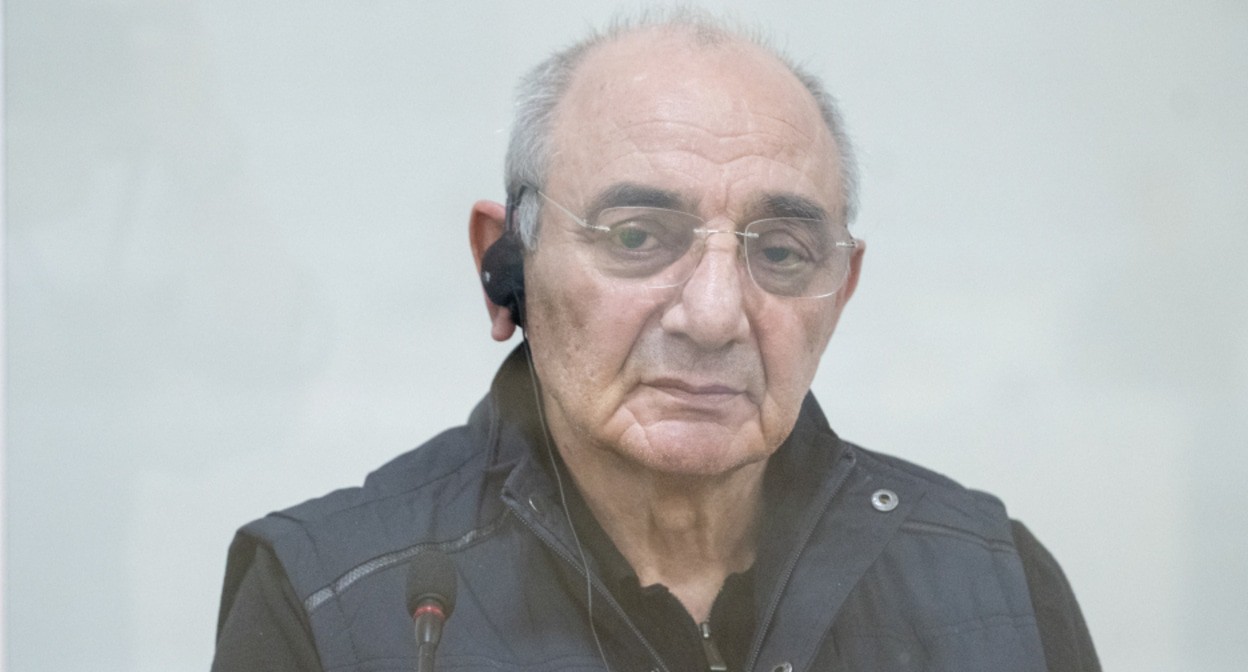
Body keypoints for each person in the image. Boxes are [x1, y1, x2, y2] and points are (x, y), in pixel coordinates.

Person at [212, 11, 1099, 672]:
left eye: (780, 254)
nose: (712, 316)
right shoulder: (333, 603)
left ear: (840, 293)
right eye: (637, 237)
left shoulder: (997, 587)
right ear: (505, 266)